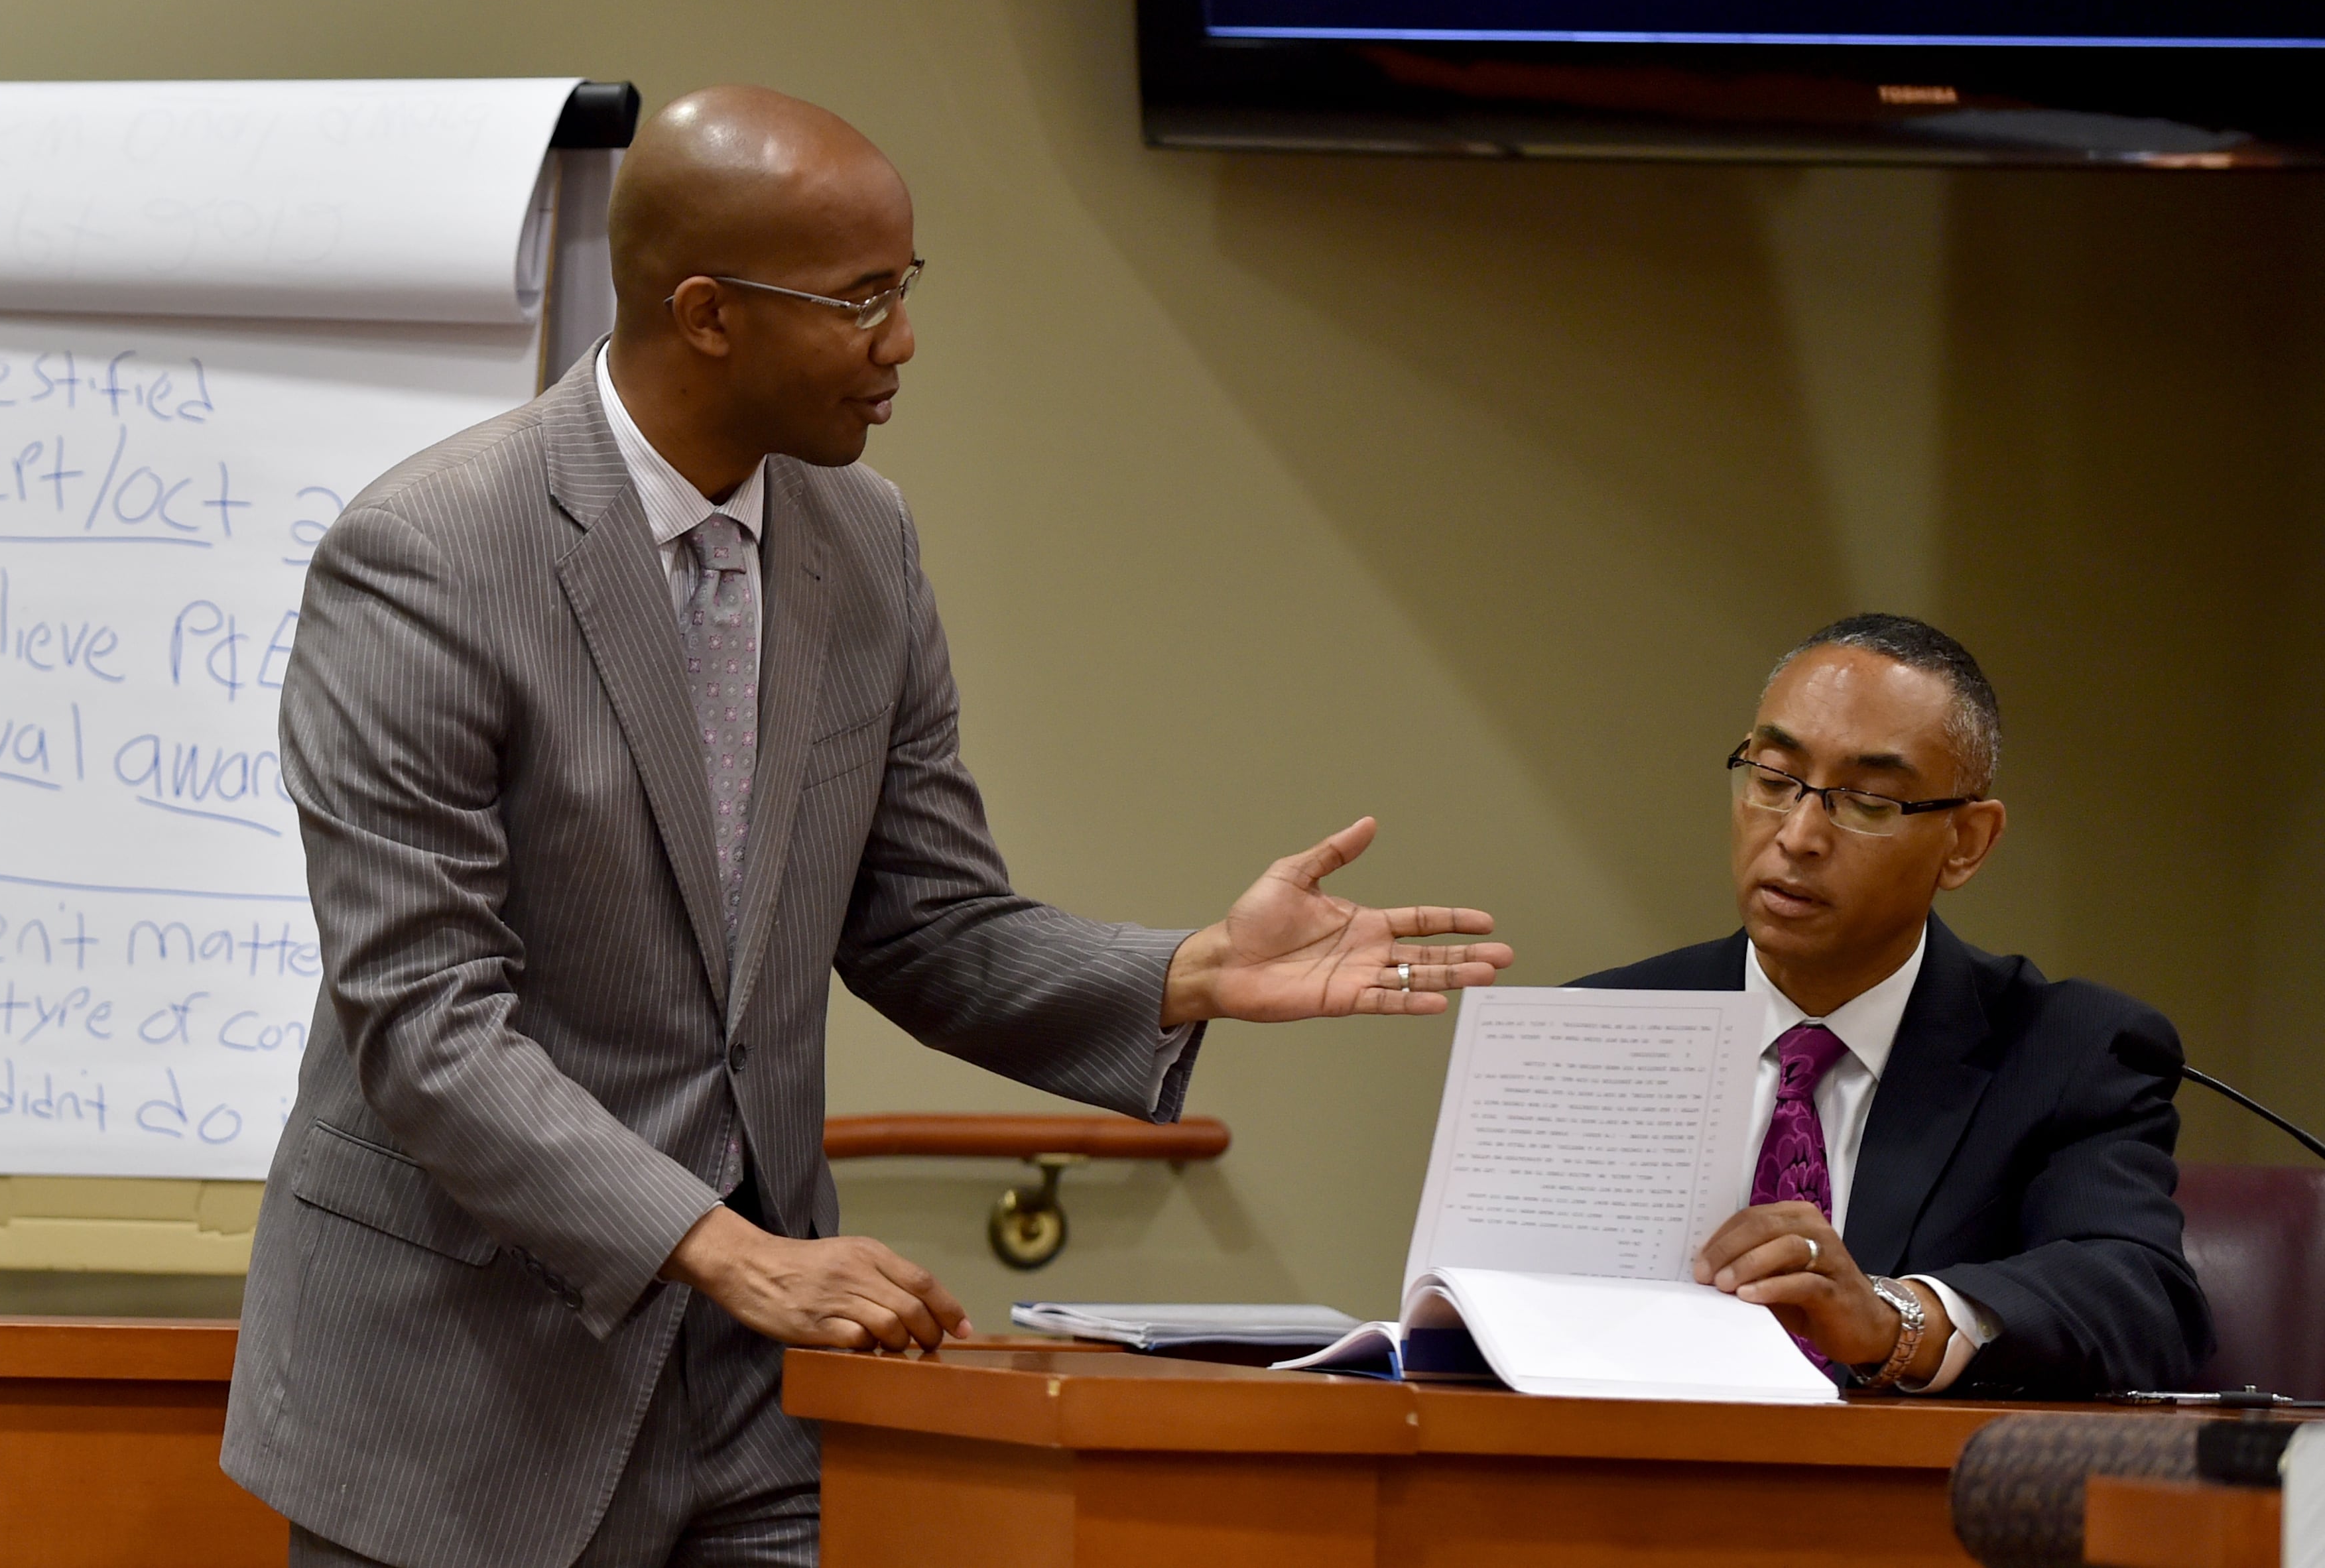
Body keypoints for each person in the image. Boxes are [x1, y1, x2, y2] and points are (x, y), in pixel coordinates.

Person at [220, 86, 1514, 1568]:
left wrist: (1193, 970)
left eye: (905, 289)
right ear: (707, 313)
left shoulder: (864, 542)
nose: (903, 339)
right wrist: (731, 1250)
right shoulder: (432, 555)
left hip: (760, 1390)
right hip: (470, 1385)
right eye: (863, 299)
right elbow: (425, 1019)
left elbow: (924, 918)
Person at [1577, 613, 2212, 1397]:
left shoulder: (2070, 1050)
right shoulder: (1607, 1025)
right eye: (1774, 779)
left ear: (1966, 842)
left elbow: (2142, 1298)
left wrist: (1896, 1319)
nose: (1799, 834)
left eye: (1868, 801)